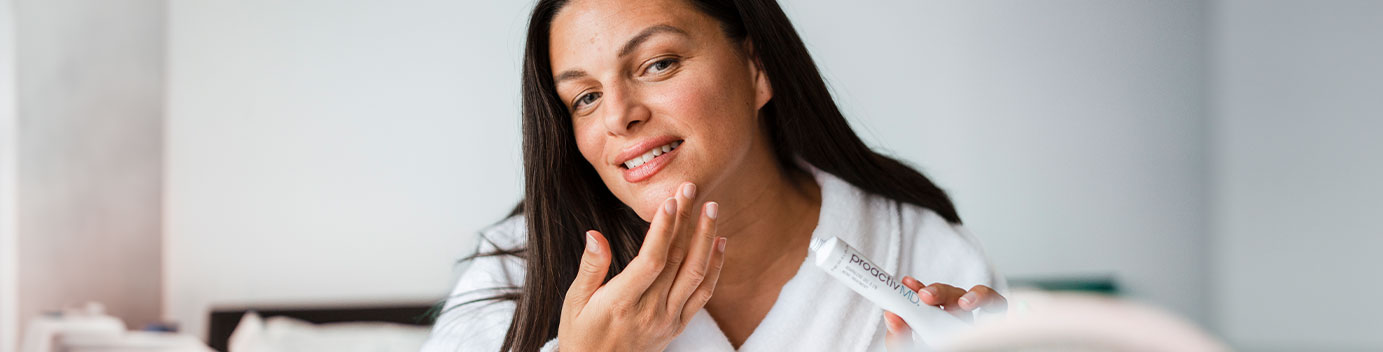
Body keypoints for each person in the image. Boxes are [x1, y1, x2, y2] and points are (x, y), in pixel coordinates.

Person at [421, 0, 1006, 350]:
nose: (620, 115)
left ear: (757, 68)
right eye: (586, 97)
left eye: (658, 64)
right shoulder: (517, 266)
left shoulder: (921, 249)